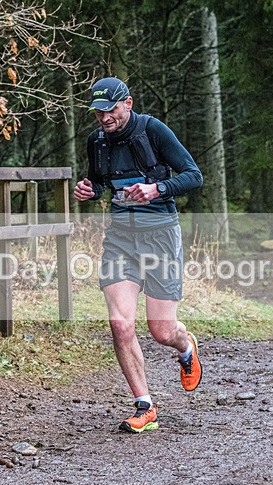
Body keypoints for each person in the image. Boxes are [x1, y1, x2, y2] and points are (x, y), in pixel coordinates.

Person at [73, 77, 204, 434]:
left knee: (161, 330)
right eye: (98, 112)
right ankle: (145, 405)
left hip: (161, 234)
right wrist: (90, 189)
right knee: (120, 323)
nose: (104, 118)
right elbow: (101, 181)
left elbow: (194, 176)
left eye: (111, 110)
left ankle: (185, 346)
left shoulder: (153, 131)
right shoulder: (96, 141)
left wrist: (156, 188)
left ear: (127, 104)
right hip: (120, 240)